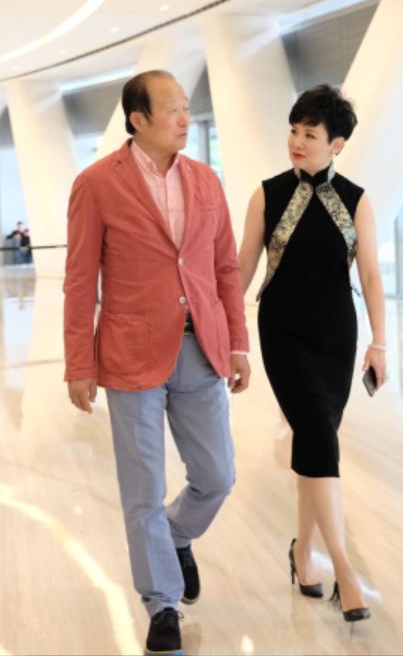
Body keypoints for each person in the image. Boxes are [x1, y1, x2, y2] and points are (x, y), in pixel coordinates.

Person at [63, 70, 250, 656]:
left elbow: (224, 268)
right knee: (143, 489)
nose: (184, 119)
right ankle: (161, 604)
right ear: (138, 119)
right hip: (130, 353)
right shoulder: (96, 183)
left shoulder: (206, 180)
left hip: (202, 349)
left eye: (186, 108)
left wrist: (238, 342)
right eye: (172, 109)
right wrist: (78, 362)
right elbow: (80, 280)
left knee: (217, 476)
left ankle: (174, 537)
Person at [238, 84, 387, 625]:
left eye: (310, 134)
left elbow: (370, 274)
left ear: (336, 144)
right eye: (293, 131)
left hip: (335, 336)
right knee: (320, 437)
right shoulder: (266, 195)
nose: (296, 142)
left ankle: (303, 554)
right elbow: (241, 270)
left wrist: (379, 342)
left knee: (315, 441)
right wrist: (229, 339)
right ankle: (345, 570)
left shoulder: (356, 200)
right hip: (282, 332)